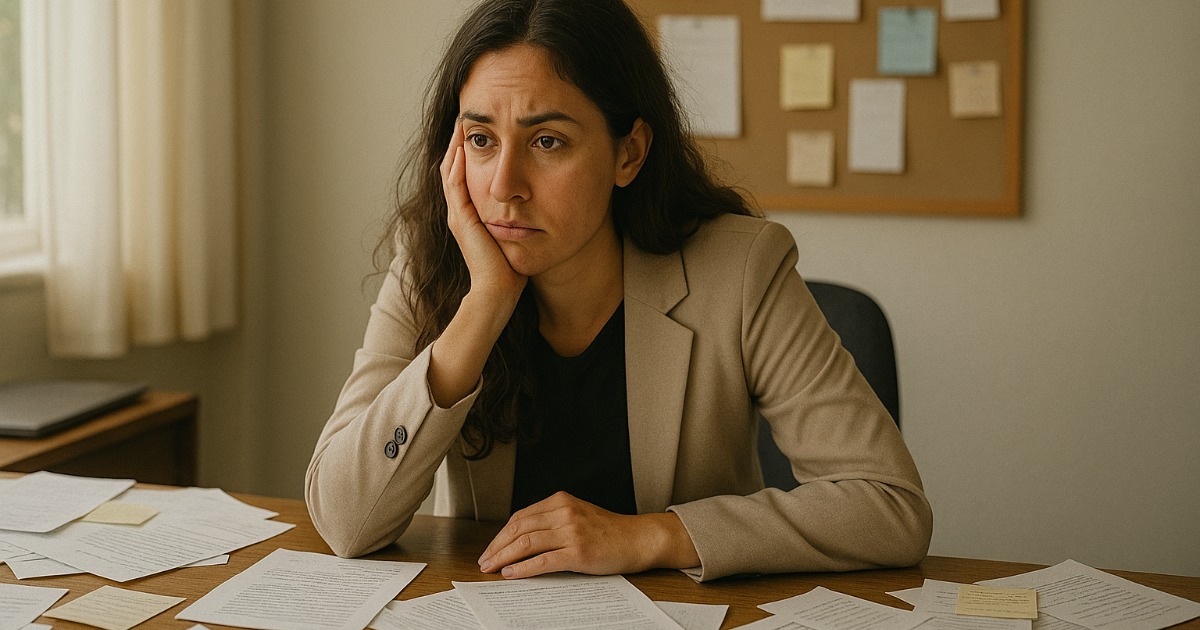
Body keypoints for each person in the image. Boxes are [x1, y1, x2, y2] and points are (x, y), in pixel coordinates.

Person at [306, 0, 932, 582]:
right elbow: (344, 521)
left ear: (628, 153)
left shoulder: (740, 270)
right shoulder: (432, 262)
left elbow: (890, 508)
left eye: (547, 141)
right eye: (480, 140)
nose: (504, 185)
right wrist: (485, 305)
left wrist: (653, 537)